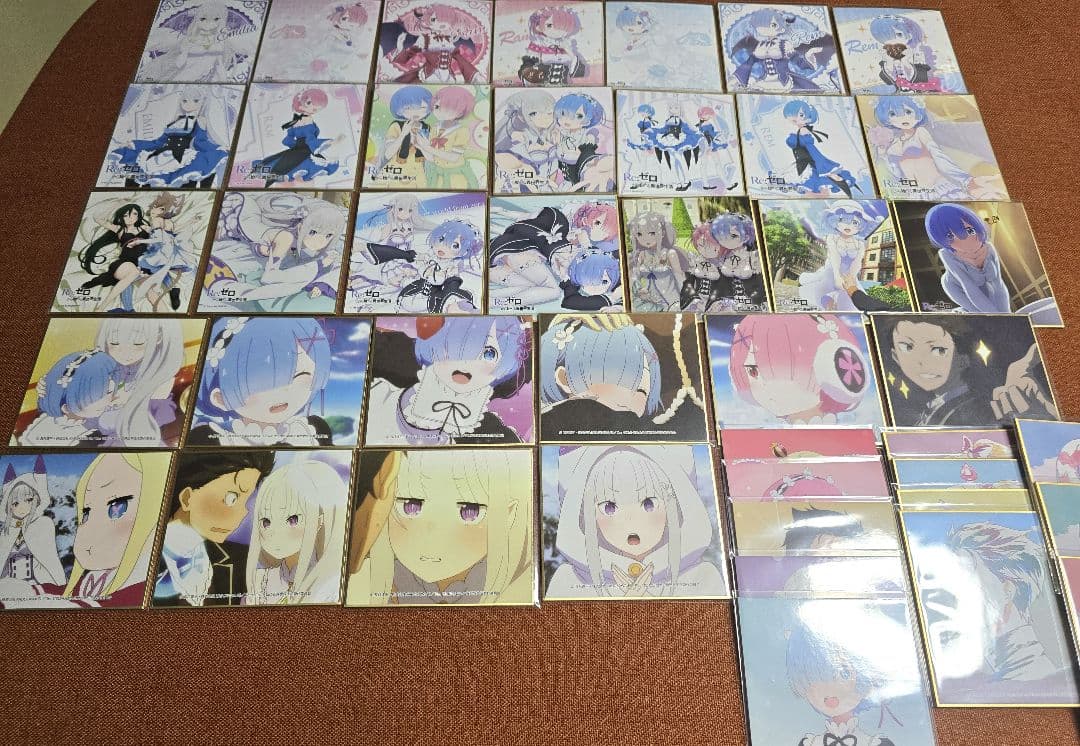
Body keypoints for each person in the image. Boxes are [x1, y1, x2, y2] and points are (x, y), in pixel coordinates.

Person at [154, 451, 276, 607]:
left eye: (245, 501)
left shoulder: (242, 560)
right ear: (187, 497)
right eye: (231, 498)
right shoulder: (142, 559)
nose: (241, 513)